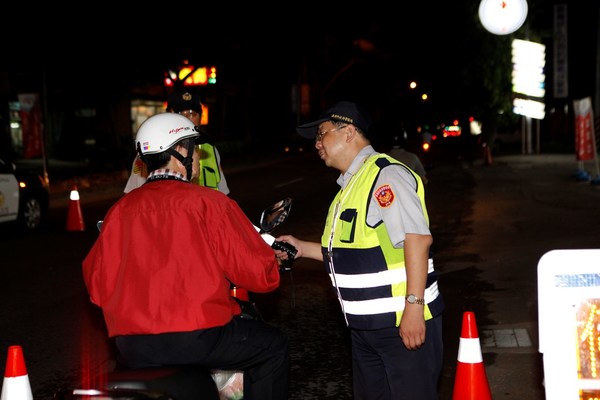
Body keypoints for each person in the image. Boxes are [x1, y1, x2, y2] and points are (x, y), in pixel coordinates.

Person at [83, 113, 289, 400]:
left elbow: (97, 287)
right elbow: (260, 277)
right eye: (194, 148)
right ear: (180, 151)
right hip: (198, 337)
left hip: (132, 345)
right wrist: (270, 262)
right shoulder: (209, 203)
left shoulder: (119, 211)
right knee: (273, 347)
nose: (198, 157)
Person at [274, 101, 444, 400]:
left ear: (349, 132)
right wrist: (302, 248)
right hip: (365, 329)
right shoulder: (350, 187)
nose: (317, 143)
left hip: (399, 324)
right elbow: (349, 253)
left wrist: (414, 309)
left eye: (322, 134)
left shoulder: (385, 176)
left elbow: (417, 239)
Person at [124, 88, 230, 195]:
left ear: (200, 117)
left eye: (192, 113)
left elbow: (223, 192)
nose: (186, 118)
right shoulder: (153, 151)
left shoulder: (210, 149)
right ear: (168, 114)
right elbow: (133, 196)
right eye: (179, 113)